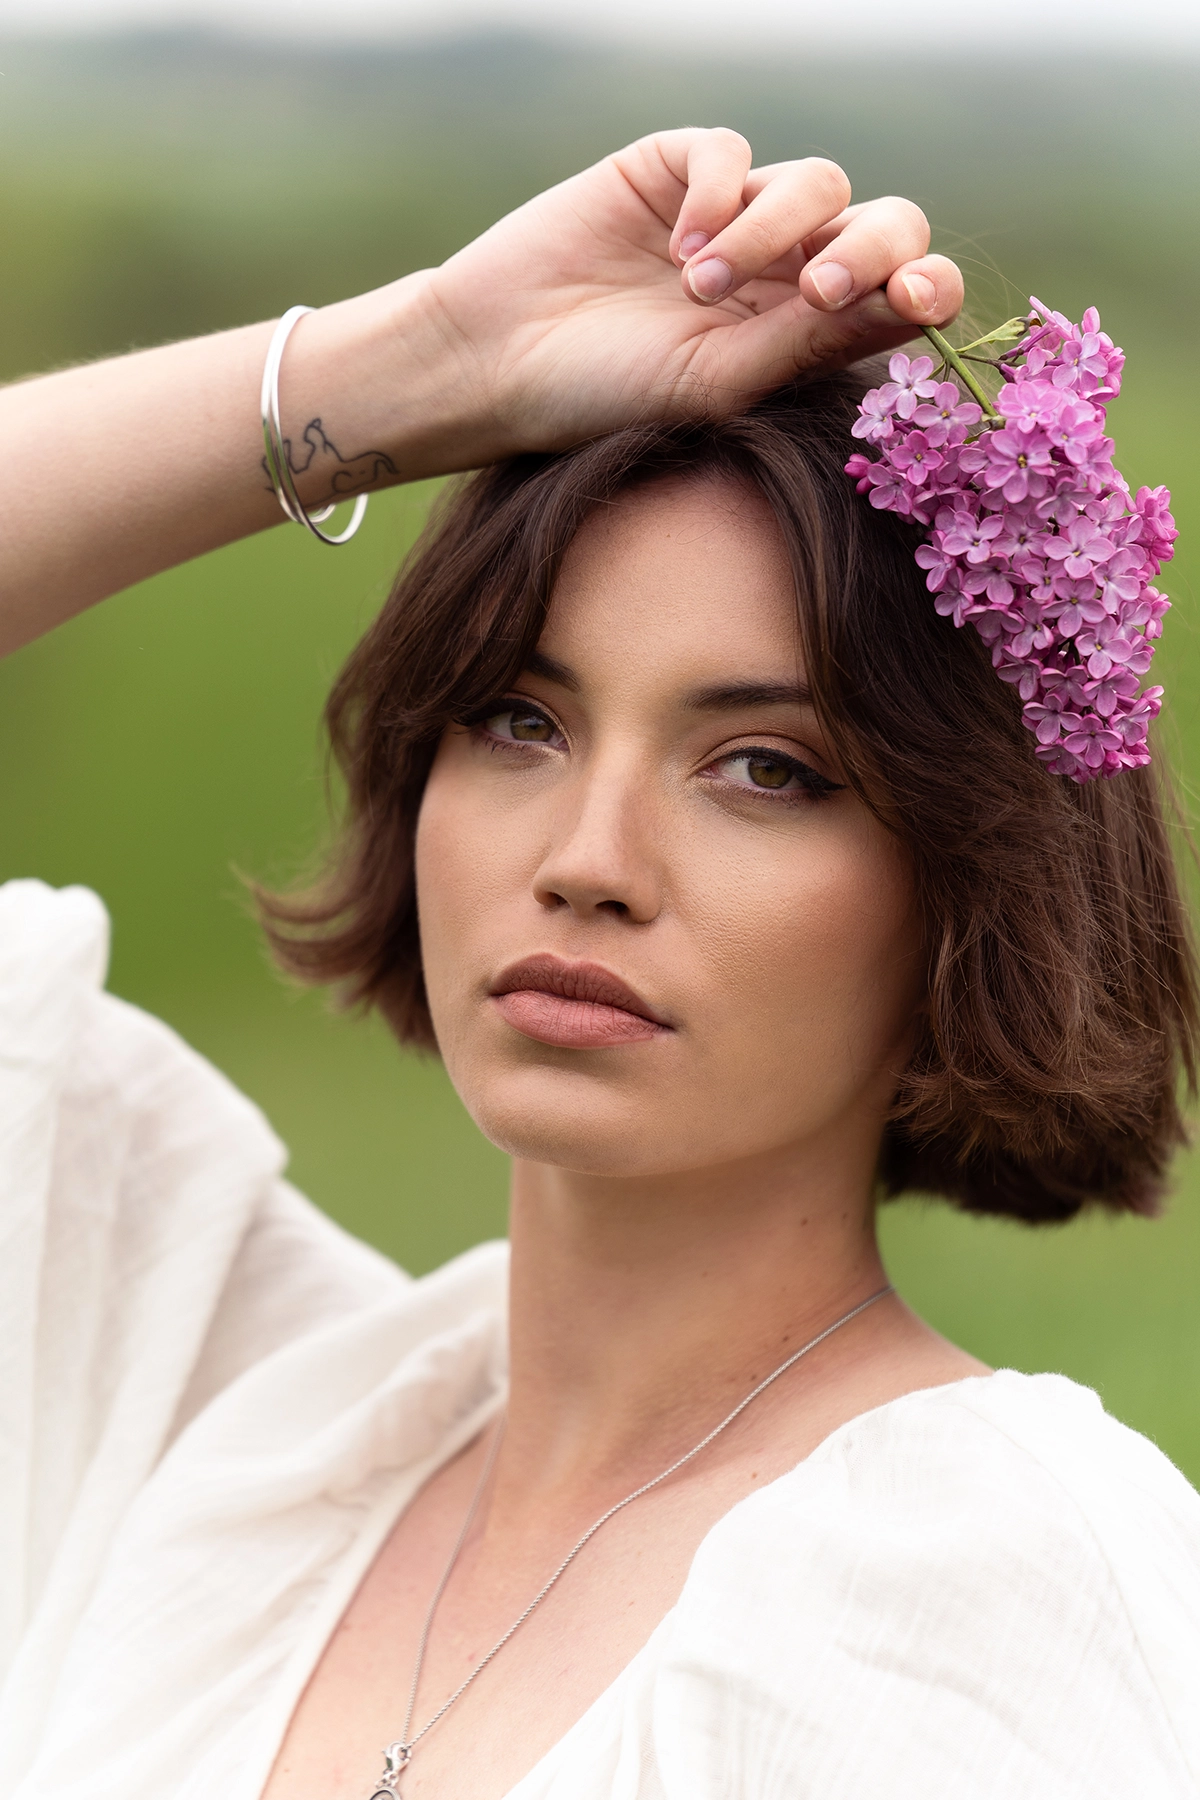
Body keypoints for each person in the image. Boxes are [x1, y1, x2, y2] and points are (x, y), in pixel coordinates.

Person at [0, 128, 1197, 1800]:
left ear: (970, 882)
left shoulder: (988, 1584)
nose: (586, 861)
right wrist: (415, 366)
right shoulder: (219, 1399)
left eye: (767, 767)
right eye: (519, 720)